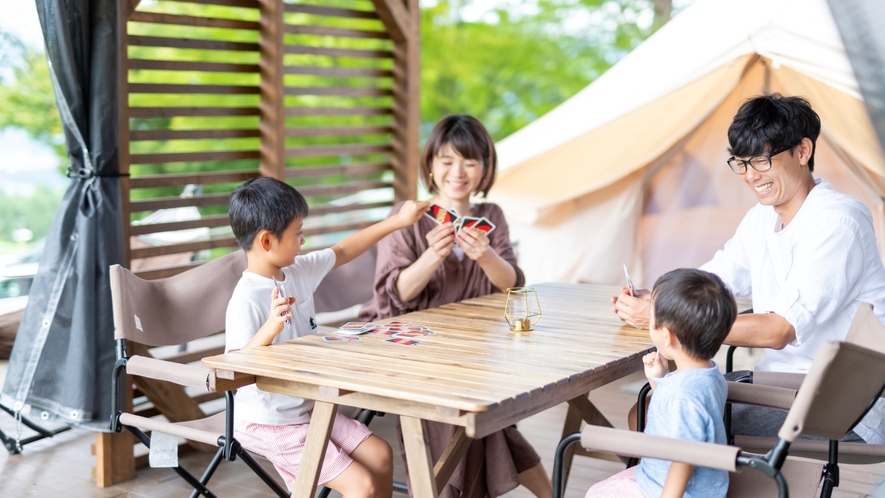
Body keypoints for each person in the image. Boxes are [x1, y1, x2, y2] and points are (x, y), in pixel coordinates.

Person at [612, 94, 885, 443]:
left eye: (762, 160)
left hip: (834, 402)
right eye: (741, 163)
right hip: (781, 383)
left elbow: (778, 330)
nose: (751, 176)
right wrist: (659, 296)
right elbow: (713, 279)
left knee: (652, 413)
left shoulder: (838, 221)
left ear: (803, 151)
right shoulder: (761, 218)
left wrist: (667, 315)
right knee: (650, 408)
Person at [359, 115, 553, 498]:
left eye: (469, 161)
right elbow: (395, 293)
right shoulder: (408, 215)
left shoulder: (491, 216)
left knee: (488, 417)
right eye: (447, 161)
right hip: (410, 348)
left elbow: (511, 282)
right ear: (430, 165)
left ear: (484, 168)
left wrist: (484, 257)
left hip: (472, 346)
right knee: (481, 419)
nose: (458, 172)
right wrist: (433, 255)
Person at [224, 176, 429, 497]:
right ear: (267, 241)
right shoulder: (247, 298)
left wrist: (398, 222)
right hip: (269, 422)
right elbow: (231, 370)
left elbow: (344, 250)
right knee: (362, 486)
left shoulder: (297, 270)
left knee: (381, 455)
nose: (303, 241)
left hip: (308, 407)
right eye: (298, 234)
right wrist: (268, 331)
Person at [588, 268, 735, 498]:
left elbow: (683, 458)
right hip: (683, 482)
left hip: (670, 489)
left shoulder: (683, 395)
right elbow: (671, 414)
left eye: (652, 319)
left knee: (596, 493)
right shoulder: (707, 374)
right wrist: (658, 380)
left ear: (667, 335)